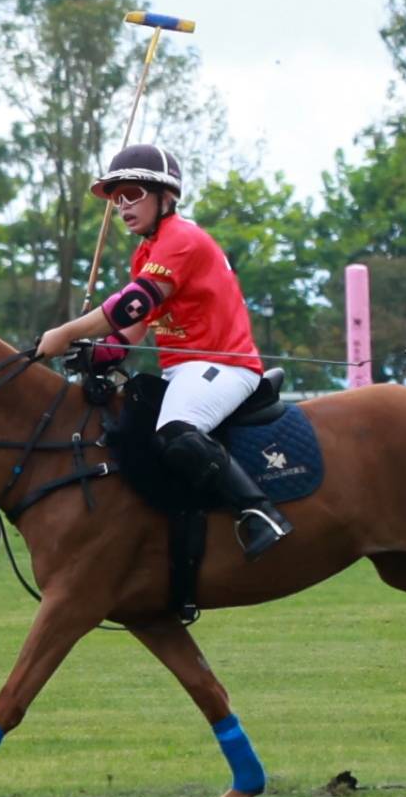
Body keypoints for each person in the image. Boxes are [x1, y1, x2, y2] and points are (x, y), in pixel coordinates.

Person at [33, 141, 291, 557]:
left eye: (133, 194)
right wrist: (95, 352)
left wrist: (64, 332)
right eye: (117, 198)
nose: (123, 206)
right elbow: (133, 331)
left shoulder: (181, 239)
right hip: (183, 371)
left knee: (175, 430)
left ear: (166, 196)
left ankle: (259, 513)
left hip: (223, 367)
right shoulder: (146, 252)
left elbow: (133, 303)